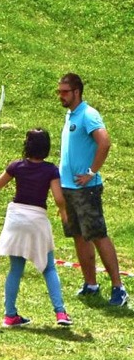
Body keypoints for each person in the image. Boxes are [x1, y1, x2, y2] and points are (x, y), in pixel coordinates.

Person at [0, 129, 72, 327]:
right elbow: (59, 198)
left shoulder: (16, 166)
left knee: (15, 269)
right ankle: (60, 313)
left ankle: (10, 315)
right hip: (37, 220)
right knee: (49, 267)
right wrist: (65, 217)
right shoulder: (50, 170)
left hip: (16, 219)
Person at [57, 73, 128, 306]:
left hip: (86, 189)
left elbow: (104, 142)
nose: (61, 96)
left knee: (97, 235)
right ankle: (91, 284)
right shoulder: (70, 115)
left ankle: (118, 287)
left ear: (77, 92)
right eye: (59, 92)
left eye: (65, 92)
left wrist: (91, 172)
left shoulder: (89, 114)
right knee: (78, 235)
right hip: (68, 188)